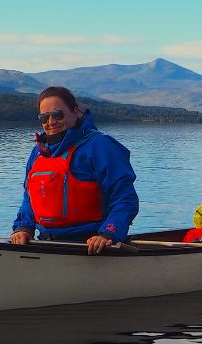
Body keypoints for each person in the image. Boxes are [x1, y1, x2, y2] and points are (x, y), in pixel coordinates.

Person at [10, 86, 139, 255]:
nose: (51, 121)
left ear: (75, 112)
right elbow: (30, 197)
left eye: (58, 114)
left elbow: (125, 197)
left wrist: (108, 234)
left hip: (91, 245)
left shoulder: (100, 146)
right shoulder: (38, 152)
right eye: (44, 117)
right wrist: (23, 228)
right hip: (45, 242)